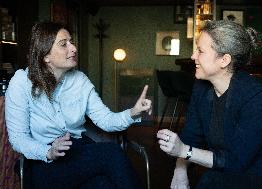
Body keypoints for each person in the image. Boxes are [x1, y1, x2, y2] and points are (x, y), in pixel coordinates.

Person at [5, 21, 152, 189]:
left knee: (104, 185)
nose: (73, 48)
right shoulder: (21, 82)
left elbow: (105, 119)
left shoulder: (80, 80)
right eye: (63, 44)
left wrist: (133, 112)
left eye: (71, 42)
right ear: (45, 55)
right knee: (112, 153)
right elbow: (18, 138)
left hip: (79, 152)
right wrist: (49, 152)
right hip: (43, 161)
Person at [157, 20, 262, 189]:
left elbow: (236, 161)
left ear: (224, 60)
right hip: (226, 169)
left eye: (200, 51)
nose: (193, 56)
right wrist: (180, 171)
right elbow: (191, 136)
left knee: (210, 181)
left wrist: (184, 151)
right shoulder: (201, 88)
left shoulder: (256, 98)